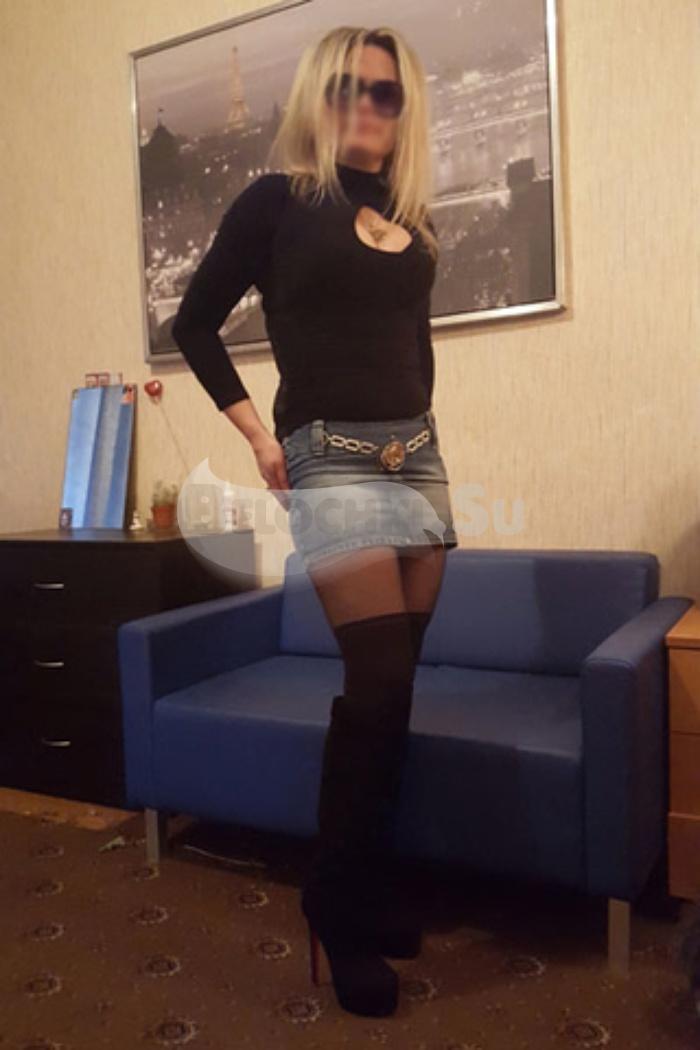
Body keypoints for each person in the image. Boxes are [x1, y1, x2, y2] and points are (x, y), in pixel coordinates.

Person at [171, 24, 458, 1017]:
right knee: (375, 685)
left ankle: (363, 885)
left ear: (402, 108)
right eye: (349, 88)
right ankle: (334, 905)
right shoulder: (278, 202)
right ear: (318, 97)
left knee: (395, 691)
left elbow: (414, 343)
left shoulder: (413, 217)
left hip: (416, 458)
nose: (366, 107)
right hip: (328, 454)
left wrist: (423, 439)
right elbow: (193, 322)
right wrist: (260, 437)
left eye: (385, 92)